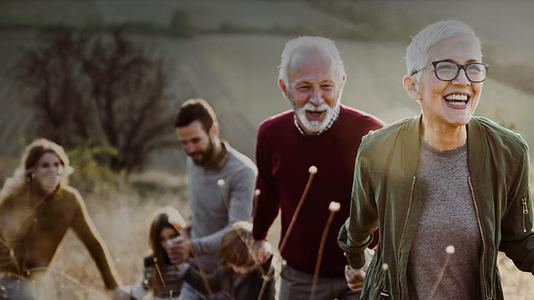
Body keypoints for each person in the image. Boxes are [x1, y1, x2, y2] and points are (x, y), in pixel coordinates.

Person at [339, 20, 534, 300]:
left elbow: (520, 239)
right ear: (412, 86)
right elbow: (359, 225)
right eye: (445, 67)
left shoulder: (508, 152)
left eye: (473, 67)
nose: (463, 80)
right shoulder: (378, 149)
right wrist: (356, 264)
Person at [252, 36, 383, 300]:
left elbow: (388, 206)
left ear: (342, 84)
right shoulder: (270, 135)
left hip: (360, 274)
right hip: (299, 279)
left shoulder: (371, 133)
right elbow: (266, 191)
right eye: (304, 87)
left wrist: (370, 258)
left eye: (326, 86)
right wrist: (258, 236)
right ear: (283, 87)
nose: (317, 99)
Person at [0, 138, 129, 300]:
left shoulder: (70, 200)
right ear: (32, 170)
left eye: (57, 164)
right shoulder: (15, 198)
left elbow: (93, 243)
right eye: (45, 165)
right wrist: (12, 274)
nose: (53, 170)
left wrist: (113, 286)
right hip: (8, 277)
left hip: (39, 279)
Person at [168, 99, 258, 300]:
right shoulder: (193, 161)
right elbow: (198, 211)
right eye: (184, 143)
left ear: (214, 130)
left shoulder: (243, 172)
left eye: (195, 140)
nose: (190, 149)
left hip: (229, 280)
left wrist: (192, 246)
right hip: (194, 274)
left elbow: (236, 233)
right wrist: (184, 234)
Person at [178, 221, 275, 300]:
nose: (241, 270)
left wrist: (266, 258)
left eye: (247, 266)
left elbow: (267, 289)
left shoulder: (260, 276)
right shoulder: (227, 273)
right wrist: (184, 269)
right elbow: (208, 285)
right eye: (235, 265)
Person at [128, 206, 187, 300]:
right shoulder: (152, 262)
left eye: (172, 237)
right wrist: (127, 293)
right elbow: (143, 286)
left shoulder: (189, 259)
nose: (168, 244)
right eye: (162, 239)